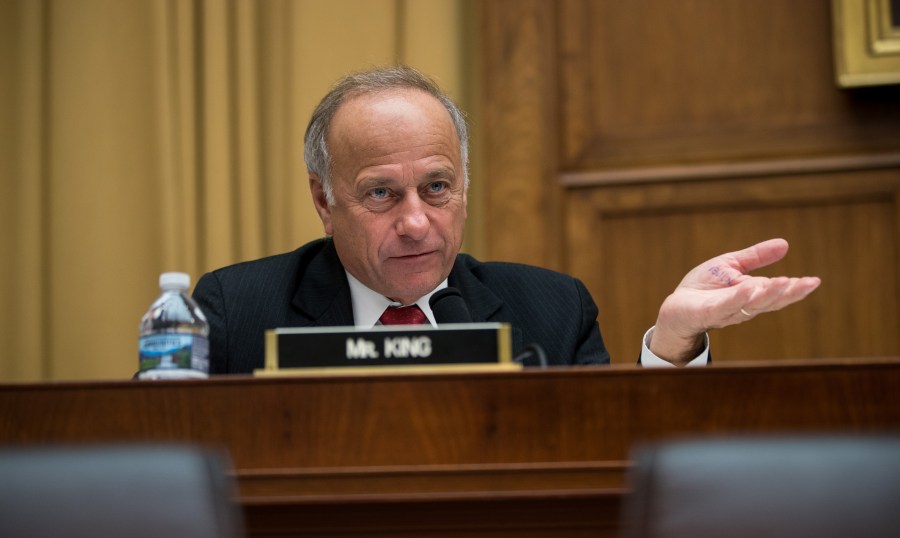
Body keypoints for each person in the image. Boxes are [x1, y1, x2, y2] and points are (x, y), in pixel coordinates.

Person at [193, 65, 820, 375]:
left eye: (436, 187)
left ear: (465, 188)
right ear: (324, 202)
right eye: (381, 194)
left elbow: (617, 465)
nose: (416, 223)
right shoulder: (236, 311)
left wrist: (672, 345)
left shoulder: (550, 312)